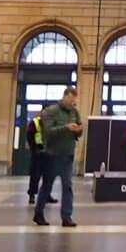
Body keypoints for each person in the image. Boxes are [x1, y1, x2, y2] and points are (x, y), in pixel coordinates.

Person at [33, 87, 83, 228]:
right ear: (65, 97)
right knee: (47, 186)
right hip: (52, 155)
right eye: (71, 99)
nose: (73, 103)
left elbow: (79, 131)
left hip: (67, 156)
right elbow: (48, 131)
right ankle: (38, 213)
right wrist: (66, 127)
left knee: (67, 186)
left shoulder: (74, 112)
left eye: (75, 100)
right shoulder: (52, 111)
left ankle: (66, 217)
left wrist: (78, 131)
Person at [25, 110, 55, 206]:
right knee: (35, 175)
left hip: (48, 153)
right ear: (41, 113)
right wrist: (34, 148)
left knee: (49, 176)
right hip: (37, 153)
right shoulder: (34, 123)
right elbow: (29, 136)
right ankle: (32, 195)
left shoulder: (52, 124)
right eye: (45, 112)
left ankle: (47, 195)